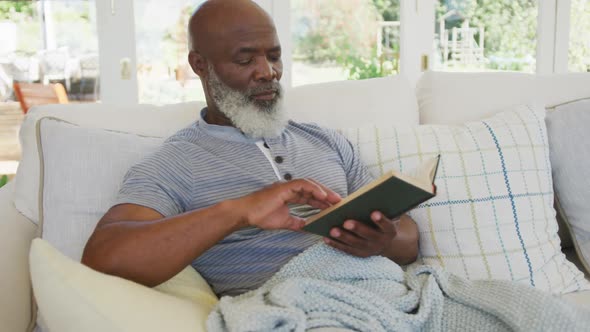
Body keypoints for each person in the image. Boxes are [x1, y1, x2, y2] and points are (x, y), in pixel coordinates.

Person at [81, 0, 419, 297]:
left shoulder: (326, 140)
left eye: (274, 57)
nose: (267, 72)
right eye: (245, 60)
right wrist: (240, 211)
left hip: (384, 292)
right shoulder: (174, 163)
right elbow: (103, 257)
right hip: (295, 309)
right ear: (200, 65)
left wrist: (382, 241)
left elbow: (408, 240)